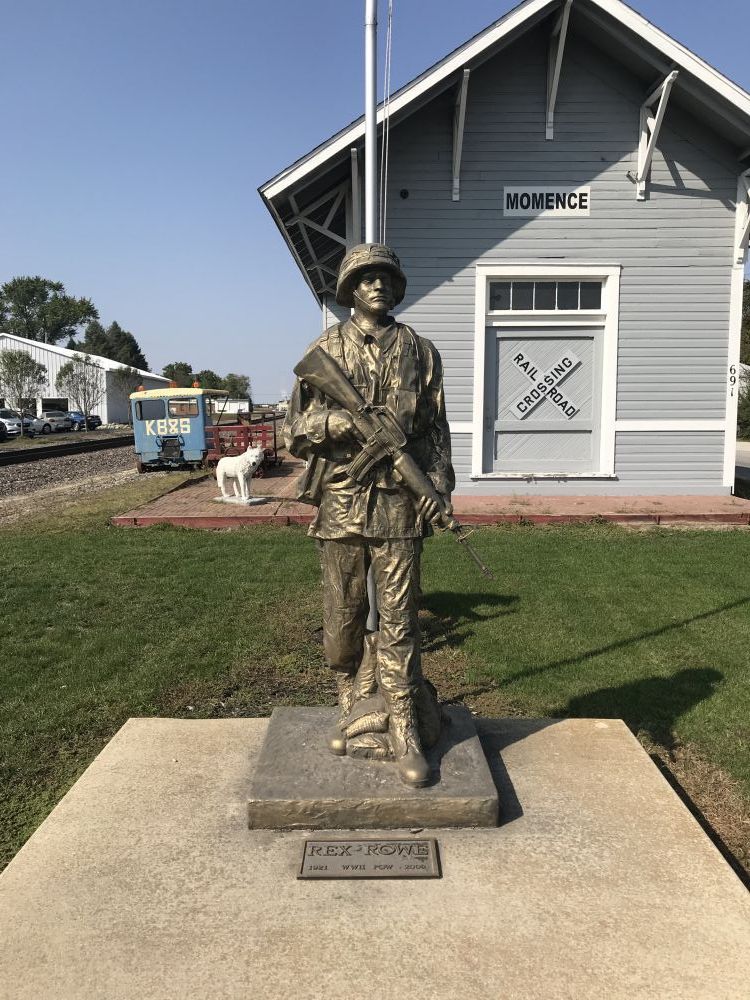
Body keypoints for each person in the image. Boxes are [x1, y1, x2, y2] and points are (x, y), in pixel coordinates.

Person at [284, 243, 454, 787]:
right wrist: (338, 425)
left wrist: (439, 492)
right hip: (340, 502)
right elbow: (294, 433)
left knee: (401, 623)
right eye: (366, 278)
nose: (378, 285)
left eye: (386, 277)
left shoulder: (420, 352)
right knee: (342, 622)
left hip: (401, 506)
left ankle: (403, 721)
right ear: (350, 289)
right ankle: (352, 701)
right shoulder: (325, 349)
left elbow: (435, 434)